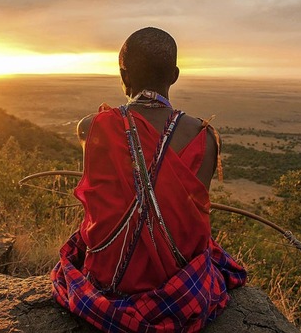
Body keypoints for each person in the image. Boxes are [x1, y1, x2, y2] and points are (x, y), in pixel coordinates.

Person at [51, 27, 246, 332]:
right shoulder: (205, 138)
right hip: (180, 287)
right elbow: (186, 219)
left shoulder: (91, 127)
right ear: (175, 75)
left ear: (123, 75)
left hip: (108, 279)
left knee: (78, 243)